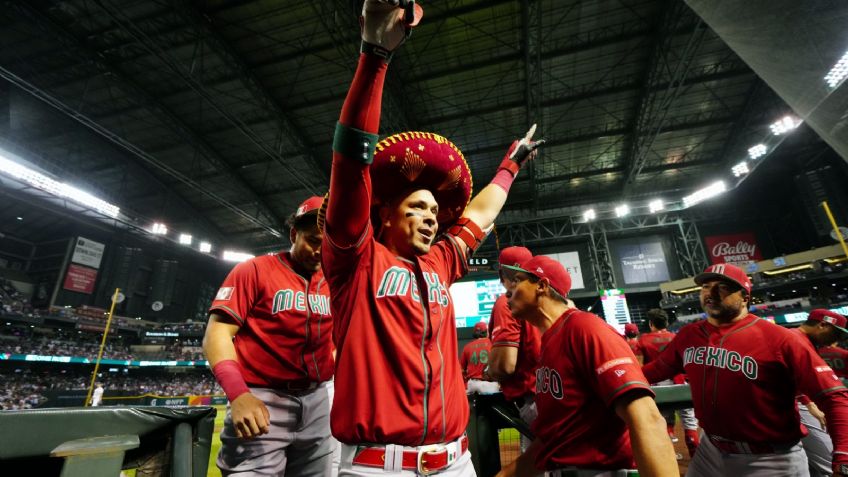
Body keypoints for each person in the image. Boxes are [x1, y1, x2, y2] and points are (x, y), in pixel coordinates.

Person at [321, 1, 544, 474]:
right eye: (416, 208)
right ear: (383, 214)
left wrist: (510, 165)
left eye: (433, 211)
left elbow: (481, 212)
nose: (430, 218)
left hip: (457, 461)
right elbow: (349, 163)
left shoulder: (441, 261)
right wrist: (375, 57)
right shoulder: (355, 258)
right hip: (379, 466)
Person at [642, 263, 848, 477]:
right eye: (705, 286)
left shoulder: (781, 338)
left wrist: (843, 456)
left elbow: (835, 397)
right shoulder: (689, 334)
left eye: (722, 287)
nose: (710, 293)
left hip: (770, 460)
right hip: (710, 450)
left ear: (745, 297)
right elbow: (657, 369)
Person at [498, 255, 678, 476]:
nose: (508, 290)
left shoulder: (584, 327)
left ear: (542, 286)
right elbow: (555, 440)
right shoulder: (550, 340)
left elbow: (647, 418)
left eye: (517, 281)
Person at [203, 196, 337, 477]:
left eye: (326, 244)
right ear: (293, 234)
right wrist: (239, 395)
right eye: (313, 240)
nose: (319, 251)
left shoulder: (335, 283)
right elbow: (217, 333)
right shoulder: (254, 270)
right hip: (263, 399)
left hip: (318, 399)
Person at [488, 245, 541, 452]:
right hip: (557, 395)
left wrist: (489, 371)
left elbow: (505, 366)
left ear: (502, 274)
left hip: (535, 402)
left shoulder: (508, 300)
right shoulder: (547, 297)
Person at [793, 309, 848, 477]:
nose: (837, 340)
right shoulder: (795, 340)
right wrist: (807, 402)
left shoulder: (801, 340)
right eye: (836, 333)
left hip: (803, 402)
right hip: (794, 405)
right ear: (823, 324)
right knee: (828, 461)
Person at [638, 309, 700, 457]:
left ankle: (671, 457)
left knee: (665, 423)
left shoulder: (643, 340)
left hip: (658, 387)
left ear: (651, 324)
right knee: (690, 422)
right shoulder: (676, 337)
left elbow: (640, 367)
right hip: (680, 383)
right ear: (666, 323)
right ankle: (697, 458)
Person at [461, 322, 499, 395]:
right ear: (487, 332)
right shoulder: (493, 343)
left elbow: (462, 370)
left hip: (472, 385)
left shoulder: (467, 347)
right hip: (490, 385)